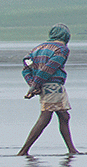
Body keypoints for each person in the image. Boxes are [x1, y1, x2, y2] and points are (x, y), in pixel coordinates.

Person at [18, 23, 80, 156]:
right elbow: (49, 68)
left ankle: (72, 150)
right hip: (52, 86)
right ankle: (23, 151)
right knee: (45, 117)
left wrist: (33, 84)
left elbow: (26, 67)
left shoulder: (36, 49)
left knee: (64, 116)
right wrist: (34, 86)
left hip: (46, 86)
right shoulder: (61, 49)